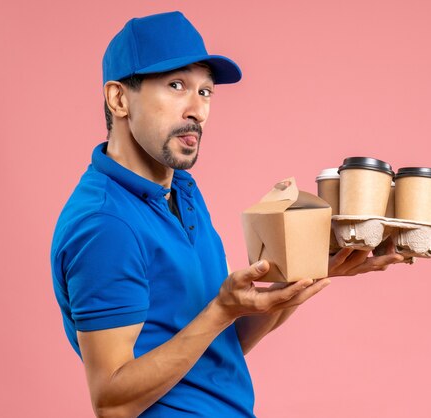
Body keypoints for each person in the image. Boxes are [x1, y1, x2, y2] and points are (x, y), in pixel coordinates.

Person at [51, 11, 404, 418]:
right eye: (176, 85)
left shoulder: (179, 188)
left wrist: (311, 268)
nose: (197, 111)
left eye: (205, 92)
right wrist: (221, 308)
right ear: (118, 99)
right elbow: (112, 402)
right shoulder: (105, 224)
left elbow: (216, 348)